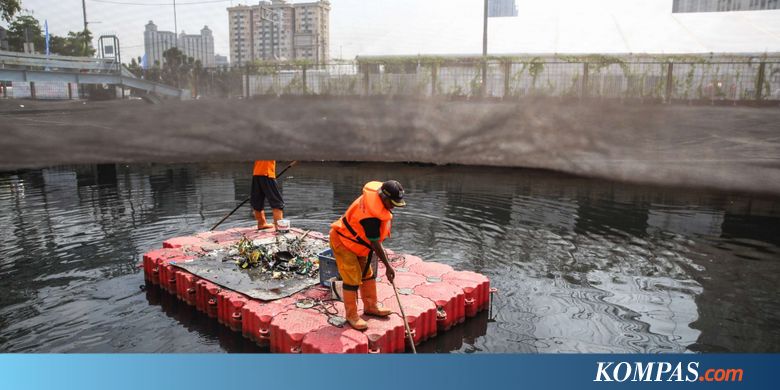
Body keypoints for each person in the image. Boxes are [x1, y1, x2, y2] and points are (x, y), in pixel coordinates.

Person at [329, 180, 406, 330]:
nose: (393, 207)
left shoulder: (378, 199)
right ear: (383, 197)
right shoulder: (370, 218)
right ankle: (351, 315)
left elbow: (374, 241)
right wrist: (388, 267)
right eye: (392, 203)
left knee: (367, 274)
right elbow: (375, 244)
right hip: (343, 241)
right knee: (352, 278)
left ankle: (371, 306)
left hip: (357, 242)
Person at [251, 160, 284, 230]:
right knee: (277, 202)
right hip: (267, 173)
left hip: (256, 173)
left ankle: (261, 224)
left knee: (257, 201)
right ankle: (279, 227)